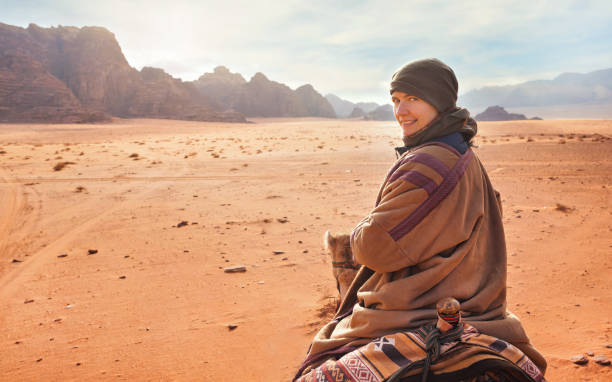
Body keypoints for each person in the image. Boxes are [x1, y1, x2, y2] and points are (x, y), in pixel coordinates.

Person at [295, 58, 546, 380]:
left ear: (439, 102)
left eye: (413, 98)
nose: (401, 111)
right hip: (478, 303)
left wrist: (361, 229)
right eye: (396, 100)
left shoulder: (429, 161)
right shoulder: (461, 152)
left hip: (416, 311)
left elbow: (374, 248)